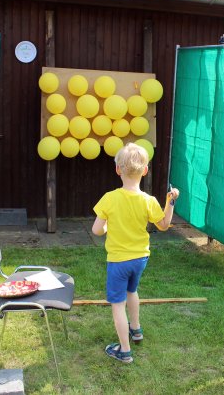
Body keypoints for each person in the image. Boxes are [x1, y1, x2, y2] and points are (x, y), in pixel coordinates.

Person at [92, 142, 179, 364]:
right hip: (140, 259)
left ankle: (124, 350)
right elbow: (164, 225)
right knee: (132, 290)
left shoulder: (109, 198)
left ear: (117, 169)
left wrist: (107, 226)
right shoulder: (149, 201)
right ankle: (136, 329)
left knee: (117, 304)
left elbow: (96, 230)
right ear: (145, 170)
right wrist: (170, 202)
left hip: (118, 261)